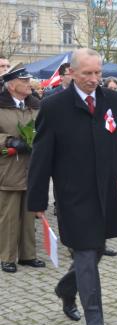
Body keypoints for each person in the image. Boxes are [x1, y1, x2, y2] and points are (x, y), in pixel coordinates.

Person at [27, 48, 117, 325]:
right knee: (87, 256)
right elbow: (41, 157)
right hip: (73, 197)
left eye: (97, 73)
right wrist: (36, 201)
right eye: (87, 73)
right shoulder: (54, 106)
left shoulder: (113, 101)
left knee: (98, 250)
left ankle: (66, 287)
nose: (93, 79)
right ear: (72, 73)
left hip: (106, 195)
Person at [0, 66, 45, 273]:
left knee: (30, 213)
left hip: (32, 167)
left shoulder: (35, 105)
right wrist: (8, 141)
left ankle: (28, 255)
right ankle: (7, 256)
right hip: (8, 168)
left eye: (29, 80)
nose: (29, 83)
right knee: (8, 216)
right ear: (12, 85)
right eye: (24, 80)